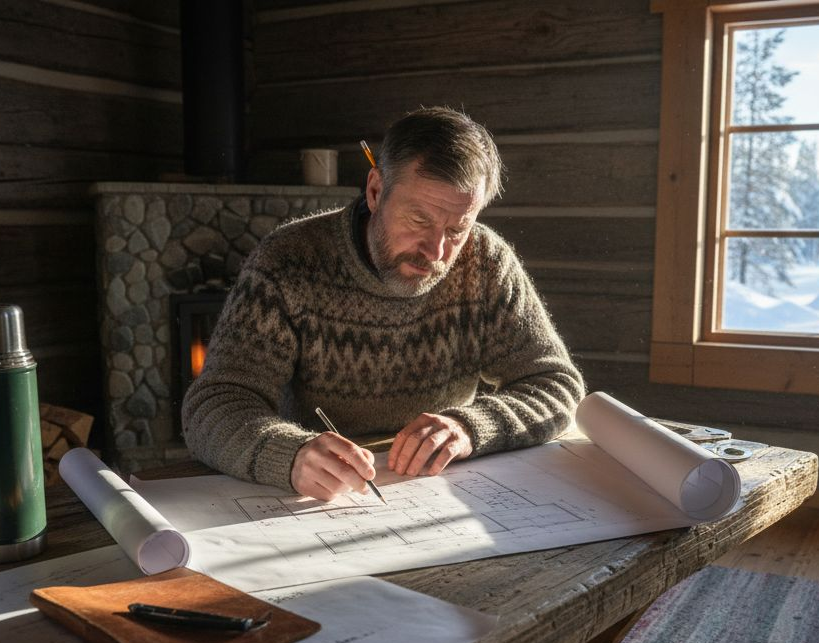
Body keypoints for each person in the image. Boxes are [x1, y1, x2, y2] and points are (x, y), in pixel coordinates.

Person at [181, 106, 584, 501]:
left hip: (444, 493)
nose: (437, 251)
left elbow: (556, 384)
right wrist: (289, 454)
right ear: (375, 191)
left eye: (457, 228)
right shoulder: (288, 262)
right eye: (418, 220)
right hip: (318, 502)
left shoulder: (486, 262)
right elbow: (213, 405)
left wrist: (468, 428)